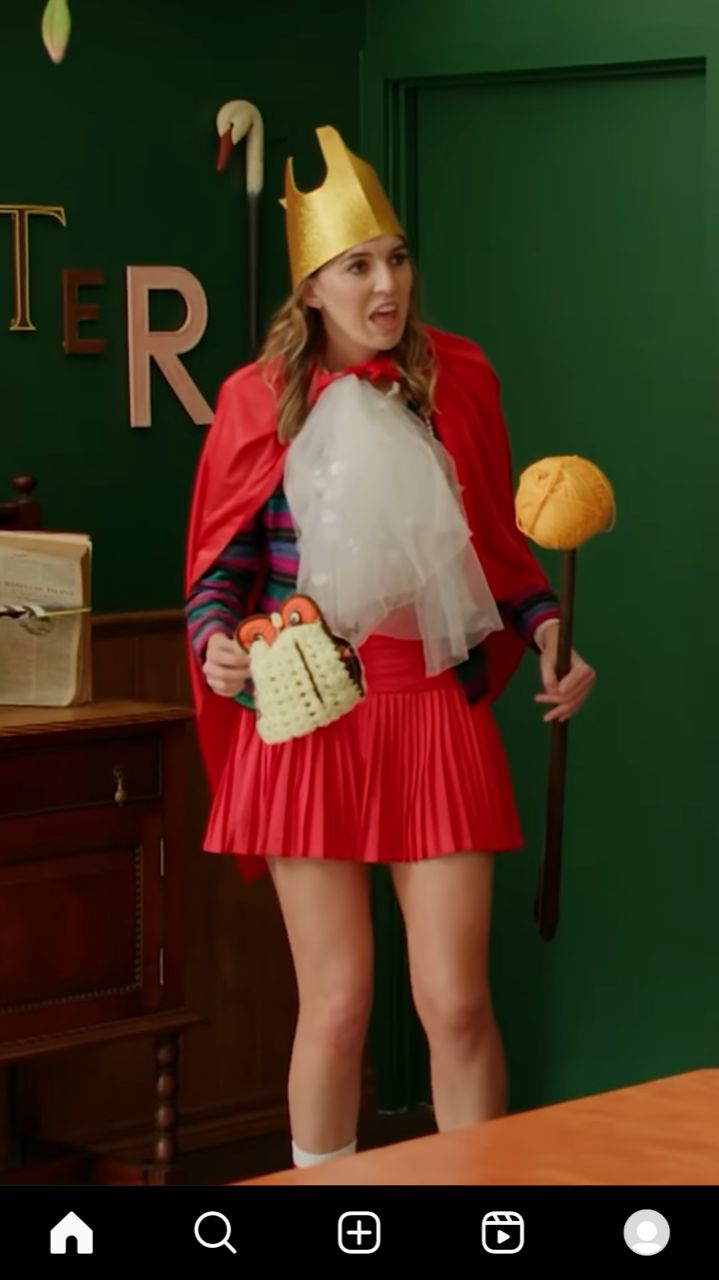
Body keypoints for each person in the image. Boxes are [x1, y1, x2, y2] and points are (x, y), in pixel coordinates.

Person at [184, 125, 596, 1169]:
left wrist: (548, 630)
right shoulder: (254, 399)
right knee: (336, 1003)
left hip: (430, 710)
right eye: (357, 267)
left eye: (397, 260)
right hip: (306, 717)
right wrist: (215, 642)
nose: (385, 286)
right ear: (311, 287)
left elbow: (495, 552)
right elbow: (221, 570)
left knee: (454, 1001)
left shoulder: (457, 379)